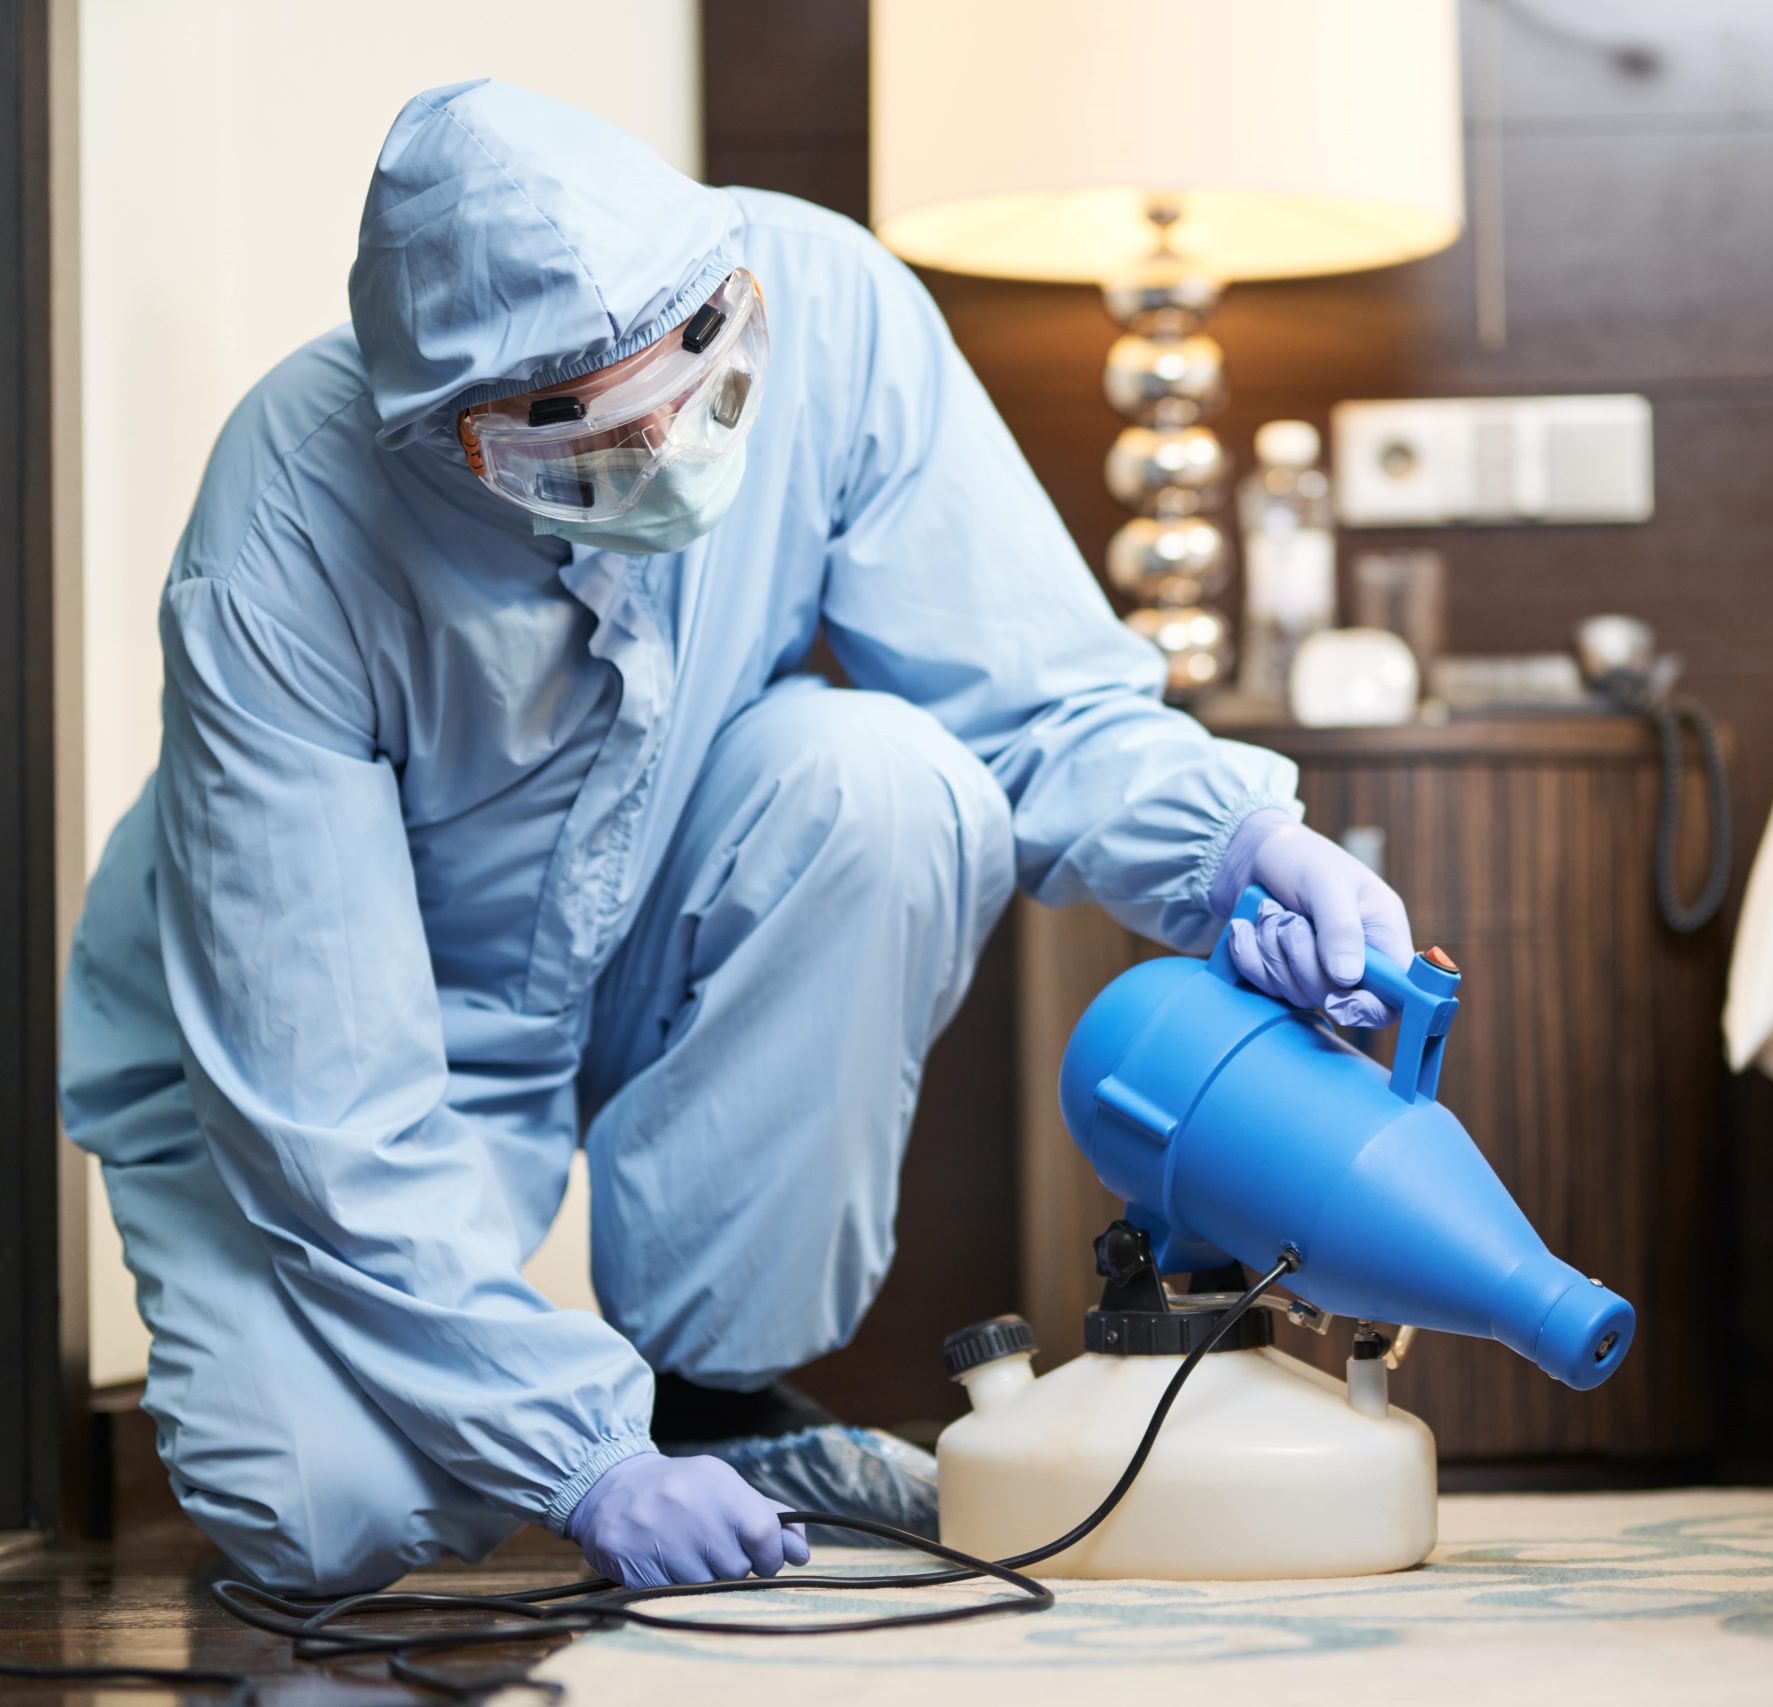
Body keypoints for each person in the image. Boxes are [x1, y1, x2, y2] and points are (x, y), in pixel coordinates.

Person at [57, 81, 1410, 1597]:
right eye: (586, 442)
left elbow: (1037, 699)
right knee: (330, 1519)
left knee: (884, 782)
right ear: (449, 434)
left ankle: (716, 1399)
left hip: (644, 909)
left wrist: (1244, 845)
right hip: (333, 1034)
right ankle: (599, 1437)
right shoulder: (287, 532)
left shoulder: (831, 299)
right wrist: (581, 1460)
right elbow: (325, 1102)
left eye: (698, 387)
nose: (666, 456)